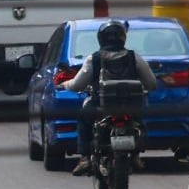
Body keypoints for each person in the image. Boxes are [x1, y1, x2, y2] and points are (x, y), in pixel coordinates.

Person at [65, 20, 157, 176]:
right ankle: (136, 156)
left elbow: (77, 85)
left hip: (100, 107)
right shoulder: (135, 57)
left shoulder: (92, 59)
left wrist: (65, 84)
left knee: (83, 119)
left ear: (101, 38)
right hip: (130, 107)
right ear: (123, 37)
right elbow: (151, 83)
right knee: (140, 123)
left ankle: (85, 158)